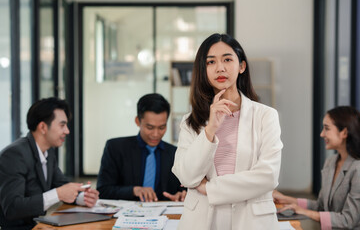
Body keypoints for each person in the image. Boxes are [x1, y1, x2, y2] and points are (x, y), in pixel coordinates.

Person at [171, 33, 283, 229]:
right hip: (202, 220)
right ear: (203, 70)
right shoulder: (190, 121)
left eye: (227, 59)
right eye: (211, 62)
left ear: (241, 66)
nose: (220, 68)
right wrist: (210, 129)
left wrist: (209, 188)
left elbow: (268, 176)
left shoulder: (266, 116)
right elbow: (187, 176)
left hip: (251, 220)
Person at [0, 97, 99, 230]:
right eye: (62, 125)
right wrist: (58, 194)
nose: (67, 131)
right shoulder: (14, 155)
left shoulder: (48, 152)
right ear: (43, 127)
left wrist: (83, 197)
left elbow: (61, 185)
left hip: (39, 225)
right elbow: (12, 208)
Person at [273, 106, 360, 230]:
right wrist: (287, 199)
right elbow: (321, 206)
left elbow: (348, 220)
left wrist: (306, 212)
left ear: (344, 133)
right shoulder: (331, 162)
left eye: (327, 128)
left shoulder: (357, 168)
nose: (321, 134)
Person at [97, 93, 186, 202]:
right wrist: (134, 190)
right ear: (138, 121)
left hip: (165, 215)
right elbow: (103, 190)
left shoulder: (175, 153)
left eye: (162, 127)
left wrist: (182, 195)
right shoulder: (115, 148)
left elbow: (184, 189)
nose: (156, 134)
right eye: (150, 127)